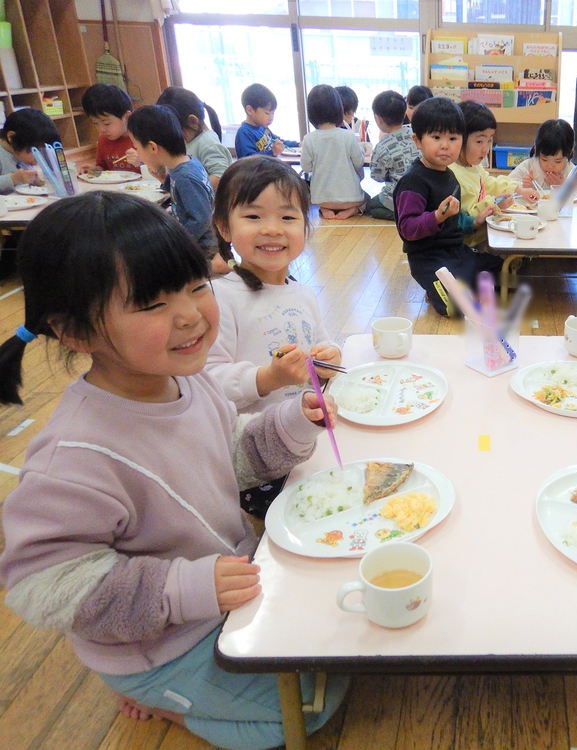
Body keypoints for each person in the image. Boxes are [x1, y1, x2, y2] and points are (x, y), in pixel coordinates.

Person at [0, 192, 349, 750]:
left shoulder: (188, 382)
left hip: (227, 582)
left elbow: (226, 452)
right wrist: (184, 588)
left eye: (194, 287)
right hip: (161, 641)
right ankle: (161, 702)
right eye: (150, 305)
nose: (190, 314)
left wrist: (292, 423)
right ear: (75, 332)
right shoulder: (76, 456)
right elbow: (43, 584)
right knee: (307, 707)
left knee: (340, 642)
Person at [206, 156, 342, 510]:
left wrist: (329, 357)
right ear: (224, 227)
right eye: (253, 216)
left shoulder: (302, 292)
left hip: (308, 436)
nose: (272, 229)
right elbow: (208, 383)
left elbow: (322, 341)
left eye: (287, 217)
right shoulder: (221, 297)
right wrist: (268, 377)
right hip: (258, 459)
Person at [393, 97, 503, 317]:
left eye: (453, 138)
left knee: (498, 270)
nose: (445, 145)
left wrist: (474, 221)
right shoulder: (414, 181)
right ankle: (440, 290)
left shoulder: (450, 175)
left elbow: (455, 218)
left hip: (455, 252)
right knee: (457, 307)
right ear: (417, 140)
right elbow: (407, 228)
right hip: (429, 258)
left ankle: (460, 289)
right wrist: (435, 217)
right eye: (436, 137)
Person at [127, 105, 219, 268]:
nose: (137, 152)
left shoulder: (186, 177)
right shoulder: (186, 163)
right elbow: (184, 195)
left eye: (136, 147)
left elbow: (201, 219)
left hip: (202, 248)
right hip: (196, 241)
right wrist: (164, 179)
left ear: (152, 147)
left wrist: (176, 242)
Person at [450, 101, 539, 247]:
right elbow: (470, 215)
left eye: (489, 140)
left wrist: (518, 190)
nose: (486, 149)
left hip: (484, 236)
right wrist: (495, 204)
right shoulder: (453, 174)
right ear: (459, 138)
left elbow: (489, 182)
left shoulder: (472, 165)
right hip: (470, 244)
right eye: (479, 141)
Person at [300, 85, 366, 220]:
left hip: (321, 199)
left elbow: (306, 167)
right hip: (350, 198)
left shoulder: (309, 139)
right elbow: (359, 163)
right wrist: (362, 151)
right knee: (368, 198)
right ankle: (352, 210)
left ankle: (324, 209)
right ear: (338, 109)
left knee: (323, 200)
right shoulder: (348, 136)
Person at [157, 86, 233, 190]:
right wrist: (165, 179)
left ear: (193, 121)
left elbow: (221, 175)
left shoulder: (207, 142)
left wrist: (193, 191)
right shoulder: (191, 140)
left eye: (177, 130)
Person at [367, 90, 420, 221]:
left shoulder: (381, 146)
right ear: (404, 113)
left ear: (378, 119)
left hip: (397, 198)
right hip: (422, 194)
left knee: (371, 206)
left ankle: (402, 216)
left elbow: (377, 177)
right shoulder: (417, 135)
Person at [78, 83, 140, 175]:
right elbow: (104, 168)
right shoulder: (103, 139)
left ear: (127, 116)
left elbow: (162, 171)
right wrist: (95, 170)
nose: (101, 129)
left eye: (106, 123)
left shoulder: (143, 137)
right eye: (95, 123)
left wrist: (142, 163)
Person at [508, 119, 577, 192]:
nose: (550, 166)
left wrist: (563, 187)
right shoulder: (528, 166)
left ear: (569, 153)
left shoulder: (572, 172)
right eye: (544, 159)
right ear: (536, 150)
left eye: (558, 161)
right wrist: (521, 186)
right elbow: (505, 188)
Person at [0, 108, 59, 194]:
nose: (37, 161)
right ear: (12, 138)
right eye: (35, 151)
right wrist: (13, 179)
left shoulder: (18, 151)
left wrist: (34, 180)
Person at [235, 84, 299, 159]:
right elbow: (250, 161)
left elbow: (278, 142)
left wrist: (297, 144)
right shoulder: (244, 133)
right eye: (267, 113)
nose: (271, 118)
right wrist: (272, 152)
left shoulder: (263, 127)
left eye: (273, 113)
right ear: (250, 110)